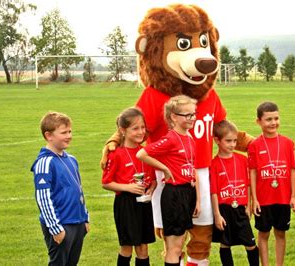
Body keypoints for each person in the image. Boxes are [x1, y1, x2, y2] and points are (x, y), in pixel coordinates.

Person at [137, 95, 200, 266]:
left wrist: (198, 200)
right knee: (174, 247)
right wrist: (165, 168)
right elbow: (142, 154)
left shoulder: (190, 138)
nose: (192, 118)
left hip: (188, 192)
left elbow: (192, 169)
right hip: (174, 195)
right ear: (173, 117)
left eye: (193, 114)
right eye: (187, 115)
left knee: (180, 245)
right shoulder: (170, 138)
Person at [31, 111, 90, 265]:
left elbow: (79, 190)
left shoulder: (71, 159)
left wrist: (85, 217)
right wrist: (55, 227)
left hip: (77, 222)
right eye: (64, 132)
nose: (69, 135)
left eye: (70, 131)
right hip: (60, 224)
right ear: (49, 135)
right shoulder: (45, 162)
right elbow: (43, 198)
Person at [102, 107, 156, 266]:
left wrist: (152, 188)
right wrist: (128, 187)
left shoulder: (145, 152)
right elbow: (106, 182)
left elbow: (152, 179)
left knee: (143, 248)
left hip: (144, 203)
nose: (140, 132)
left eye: (142, 127)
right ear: (122, 130)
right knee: (127, 248)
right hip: (125, 203)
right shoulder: (116, 153)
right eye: (135, 128)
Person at [248, 101, 295, 266]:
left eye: (276, 118)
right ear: (259, 122)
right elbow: (253, 172)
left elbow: (292, 170)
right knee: (263, 234)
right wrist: (254, 199)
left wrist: (294, 196)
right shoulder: (255, 145)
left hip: (283, 198)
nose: (273, 123)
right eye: (268, 119)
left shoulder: (288, 143)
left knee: (281, 233)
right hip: (263, 199)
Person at [210, 120, 259, 266]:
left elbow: (248, 184)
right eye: (228, 141)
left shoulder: (243, 160)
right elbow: (214, 192)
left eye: (235, 141)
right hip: (224, 209)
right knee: (225, 244)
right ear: (217, 140)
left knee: (250, 244)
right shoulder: (214, 164)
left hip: (241, 208)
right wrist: (217, 215)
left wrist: (249, 205)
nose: (232, 145)